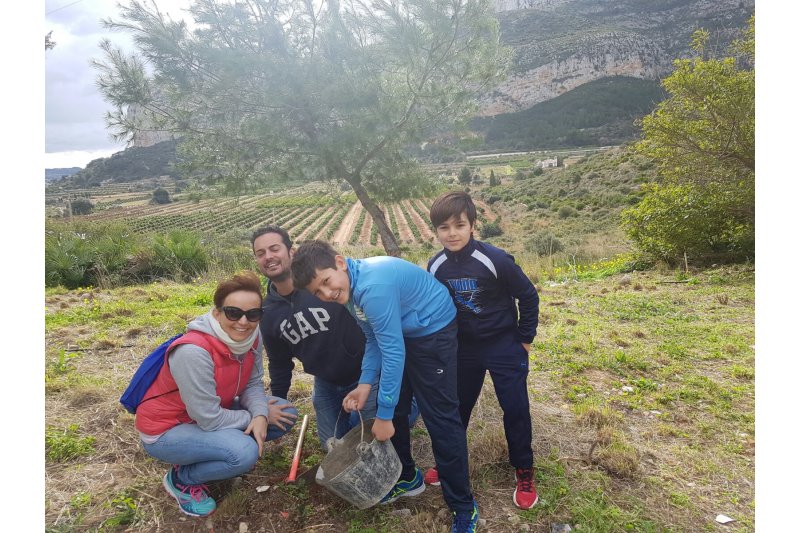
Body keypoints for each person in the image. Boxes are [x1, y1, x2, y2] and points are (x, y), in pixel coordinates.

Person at [291, 240, 479, 533]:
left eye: (326, 282)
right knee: (396, 404)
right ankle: (407, 477)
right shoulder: (350, 292)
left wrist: (383, 416)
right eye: (317, 291)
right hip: (404, 331)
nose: (326, 293)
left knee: (440, 417)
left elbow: (393, 351)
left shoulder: (372, 287)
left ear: (340, 262)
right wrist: (366, 384)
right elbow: (373, 338)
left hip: (433, 330)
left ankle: (463, 506)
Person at [135, 272, 299, 517]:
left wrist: (261, 413)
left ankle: (210, 452)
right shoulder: (193, 352)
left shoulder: (253, 337)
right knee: (244, 452)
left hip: (206, 414)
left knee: (286, 412)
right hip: (167, 429)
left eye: (253, 314)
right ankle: (182, 479)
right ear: (217, 313)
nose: (243, 322)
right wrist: (256, 417)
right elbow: (209, 418)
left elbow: (252, 382)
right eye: (233, 313)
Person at [252, 226, 420, 450]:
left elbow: (374, 325)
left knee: (369, 439)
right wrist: (278, 402)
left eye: (274, 249)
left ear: (291, 252)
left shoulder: (325, 283)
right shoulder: (268, 311)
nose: (269, 257)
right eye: (261, 253)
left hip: (365, 373)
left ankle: (410, 402)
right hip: (326, 383)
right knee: (332, 447)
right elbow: (279, 362)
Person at [425, 190, 540, 509]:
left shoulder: (496, 259)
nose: (452, 233)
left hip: (504, 345)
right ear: (435, 231)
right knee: (456, 409)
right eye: (444, 227)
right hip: (464, 350)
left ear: (472, 225)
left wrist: (524, 338)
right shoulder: (435, 266)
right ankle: (448, 463)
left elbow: (528, 297)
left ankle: (524, 469)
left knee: (515, 408)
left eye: (459, 225)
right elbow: (434, 308)